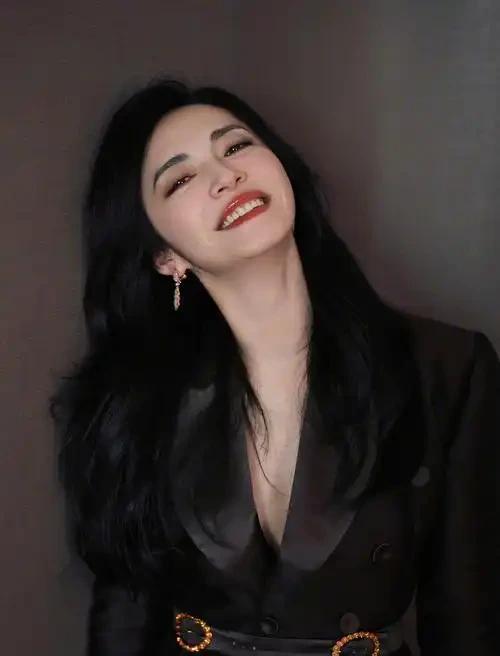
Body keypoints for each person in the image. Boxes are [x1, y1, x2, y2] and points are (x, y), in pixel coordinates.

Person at [50, 77, 500, 656]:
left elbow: (469, 623)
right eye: (181, 179)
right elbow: (121, 624)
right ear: (165, 255)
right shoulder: (134, 402)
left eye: (236, 145)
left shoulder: (449, 368)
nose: (225, 175)